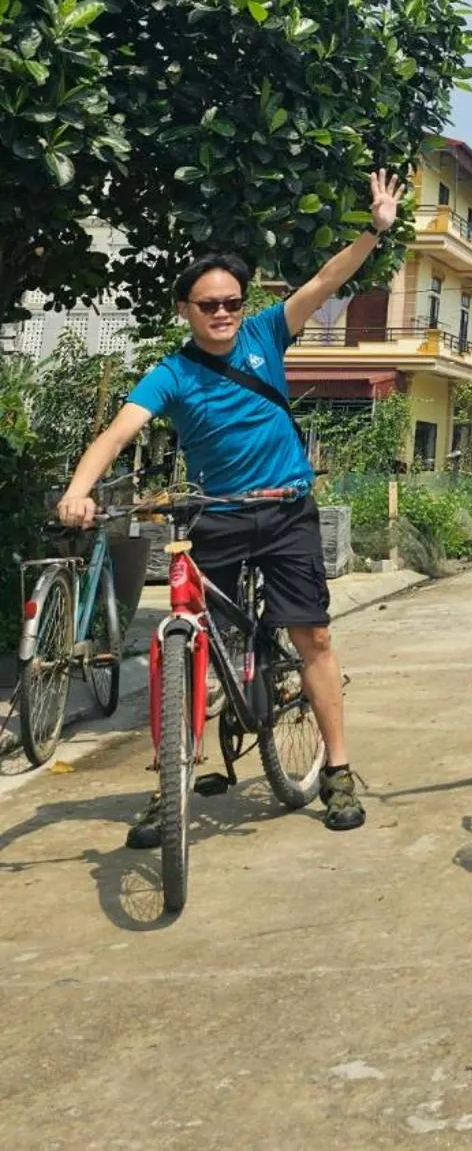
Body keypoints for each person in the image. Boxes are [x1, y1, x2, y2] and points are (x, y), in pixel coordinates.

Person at [57, 169, 404, 841]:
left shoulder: (267, 335)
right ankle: (170, 786)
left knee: (314, 637)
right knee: (182, 650)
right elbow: (118, 431)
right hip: (214, 516)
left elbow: (324, 283)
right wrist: (78, 490)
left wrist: (373, 231)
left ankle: (336, 770)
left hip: (285, 510)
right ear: (185, 310)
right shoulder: (172, 373)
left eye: (232, 302)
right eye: (208, 304)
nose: (222, 313)